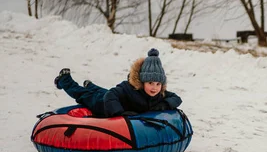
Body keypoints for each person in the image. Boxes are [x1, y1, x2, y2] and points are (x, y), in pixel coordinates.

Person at [54, 48, 182, 117]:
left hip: (110, 96)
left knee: (102, 91)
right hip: (102, 104)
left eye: (158, 84)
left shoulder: (159, 93)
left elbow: (176, 98)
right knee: (83, 94)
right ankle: (64, 80)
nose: (154, 88)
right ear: (142, 82)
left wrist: (165, 104)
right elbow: (111, 95)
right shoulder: (129, 88)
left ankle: (91, 86)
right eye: (150, 83)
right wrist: (119, 112)